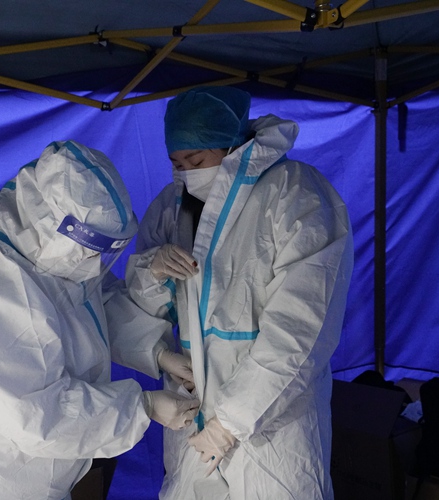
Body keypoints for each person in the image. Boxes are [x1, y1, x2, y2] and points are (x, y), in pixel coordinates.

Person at [0, 140, 200, 500]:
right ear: (53, 221)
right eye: (91, 250)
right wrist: (143, 407)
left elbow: (88, 315)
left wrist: (156, 352)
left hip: (45, 467)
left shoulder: (46, 249)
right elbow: (33, 414)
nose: (93, 265)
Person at [125, 86, 354, 499]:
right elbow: (143, 308)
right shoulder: (172, 207)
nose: (187, 174)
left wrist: (232, 421)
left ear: (232, 145)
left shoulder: (295, 193)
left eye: (196, 161)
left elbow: (300, 328)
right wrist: (151, 272)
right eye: (177, 164)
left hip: (273, 422)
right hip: (192, 406)